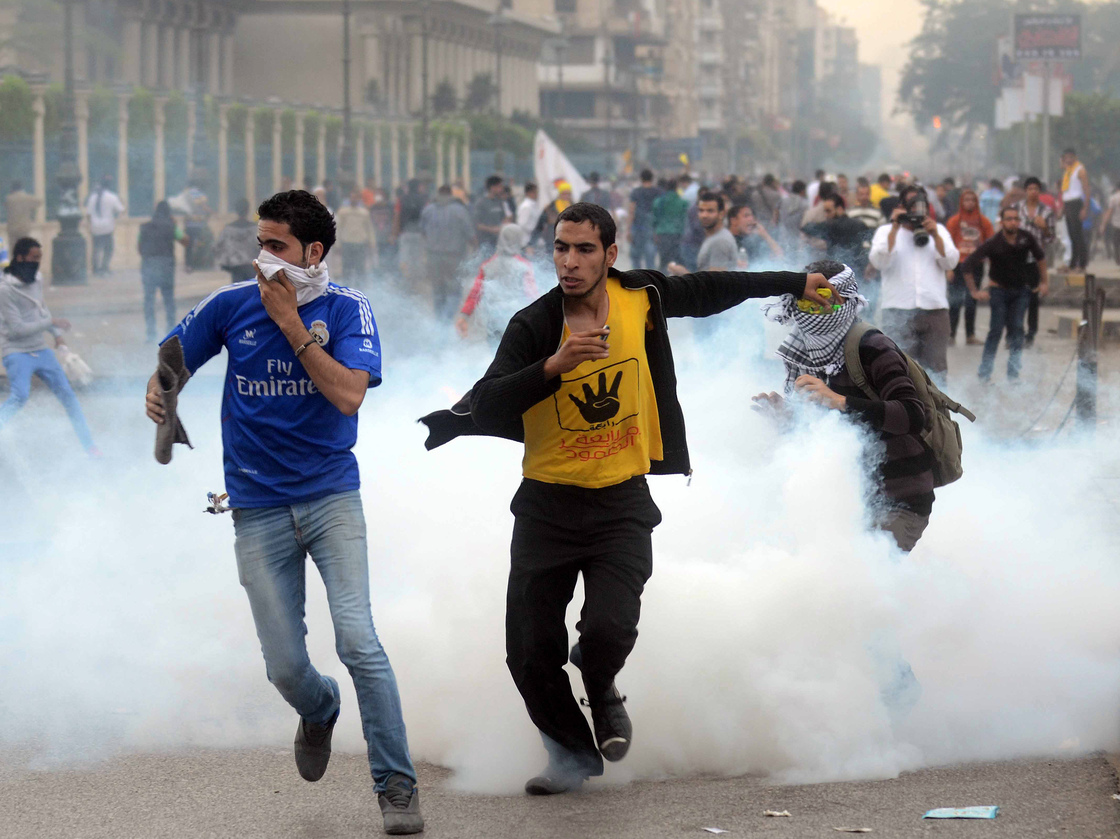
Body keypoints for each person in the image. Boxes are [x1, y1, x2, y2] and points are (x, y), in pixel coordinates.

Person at [418, 202, 834, 796]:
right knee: (530, 654)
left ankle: (601, 679)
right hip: (547, 506)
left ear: (610, 255)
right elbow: (486, 402)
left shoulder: (643, 298)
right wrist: (552, 367)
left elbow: (716, 286)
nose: (570, 261)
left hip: (620, 503)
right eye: (561, 248)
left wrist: (794, 282)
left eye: (584, 249)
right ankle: (569, 755)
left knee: (608, 629)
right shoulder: (535, 325)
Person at [144, 190, 423, 835]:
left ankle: (396, 784)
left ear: (313, 252)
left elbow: (349, 395)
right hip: (256, 506)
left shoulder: (349, 310)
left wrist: (294, 326)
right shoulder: (230, 305)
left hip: (331, 498)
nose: (263, 259)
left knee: (359, 640)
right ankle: (319, 709)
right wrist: (159, 395)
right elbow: (171, 362)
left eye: (277, 247)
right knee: (285, 668)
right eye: (259, 244)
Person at [753, 260, 936, 552]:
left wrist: (840, 401)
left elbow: (913, 415)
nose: (817, 313)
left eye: (827, 303)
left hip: (898, 499)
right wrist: (786, 418)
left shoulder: (873, 347)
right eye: (808, 304)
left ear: (847, 301)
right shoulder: (802, 353)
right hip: (845, 499)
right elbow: (819, 432)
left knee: (865, 585)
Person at [0, 237, 98, 455]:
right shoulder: (5, 290)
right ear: (20, 258)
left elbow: (41, 309)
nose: (37, 263)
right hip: (15, 350)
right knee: (20, 396)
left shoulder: (37, 279)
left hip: (40, 349)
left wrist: (57, 337)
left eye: (40, 258)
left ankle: (89, 446)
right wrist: (51, 323)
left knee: (68, 396)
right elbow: (16, 329)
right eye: (34, 258)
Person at [869, 185, 959, 384]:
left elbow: (950, 262)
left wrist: (935, 236)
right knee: (899, 370)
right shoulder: (885, 231)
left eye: (921, 204)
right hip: (898, 311)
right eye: (912, 203)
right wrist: (895, 226)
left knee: (936, 372)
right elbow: (879, 262)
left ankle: (938, 414)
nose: (917, 209)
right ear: (902, 206)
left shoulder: (939, 230)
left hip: (934, 311)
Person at [962, 205, 1048, 383]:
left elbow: (1040, 258)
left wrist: (1044, 282)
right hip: (999, 291)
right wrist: (974, 292)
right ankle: (984, 373)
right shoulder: (994, 243)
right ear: (1002, 222)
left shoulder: (1026, 237)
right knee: (996, 330)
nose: (1013, 222)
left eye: (1016, 219)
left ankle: (1013, 374)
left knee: (1017, 329)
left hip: (1021, 292)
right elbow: (968, 265)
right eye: (1009, 219)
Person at [456, 223, 538, 345]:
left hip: (493, 322)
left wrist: (464, 316)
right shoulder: (524, 266)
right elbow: (532, 296)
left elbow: (475, 294)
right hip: (517, 321)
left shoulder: (488, 265)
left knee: (497, 358)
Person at [944, 189, 993, 345]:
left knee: (972, 300)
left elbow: (990, 244)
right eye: (966, 200)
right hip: (957, 265)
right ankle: (950, 335)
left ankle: (970, 335)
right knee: (955, 301)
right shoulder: (954, 222)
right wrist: (948, 268)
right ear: (961, 202)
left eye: (972, 200)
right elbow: (946, 245)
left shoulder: (983, 222)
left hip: (975, 266)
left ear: (976, 202)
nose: (969, 203)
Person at [421, 184, 476, 320]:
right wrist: (476, 248)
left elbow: (422, 232)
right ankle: (448, 318)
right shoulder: (459, 210)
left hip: (434, 256)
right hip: (454, 257)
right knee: (454, 289)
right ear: (451, 194)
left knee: (438, 289)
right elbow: (470, 233)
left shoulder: (428, 210)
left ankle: (440, 318)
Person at [138, 201, 187, 342]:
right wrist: (175, 225)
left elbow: (139, 248)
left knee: (149, 300)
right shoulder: (171, 226)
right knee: (169, 300)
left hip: (148, 266)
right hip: (166, 267)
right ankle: (171, 332)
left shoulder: (144, 227)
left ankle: (150, 333)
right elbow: (185, 241)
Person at [1016, 177, 1056, 347]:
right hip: (1016, 260)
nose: (1033, 191)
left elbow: (1051, 238)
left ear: (1040, 191)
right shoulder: (1015, 209)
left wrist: (1045, 227)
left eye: (1036, 189)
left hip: (1035, 260)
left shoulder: (1047, 212)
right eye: (1030, 188)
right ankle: (1015, 333)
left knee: (1033, 299)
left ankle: (1030, 334)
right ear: (1025, 191)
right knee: (1015, 298)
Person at [802, 195, 872, 278]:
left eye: (828, 211)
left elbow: (806, 228)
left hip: (835, 273)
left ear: (839, 209)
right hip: (856, 273)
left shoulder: (830, 226)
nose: (826, 215)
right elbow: (871, 241)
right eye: (825, 211)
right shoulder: (860, 224)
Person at [667, 191, 736, 275]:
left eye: (710, 211)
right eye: (701, 210)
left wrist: (684, 274)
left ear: (721, 214)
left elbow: (716, 283)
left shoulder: (720, 241)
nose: (704, 215)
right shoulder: (713, 237)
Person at [336, 189, 378, 284]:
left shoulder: (364, 213)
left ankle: (360, 289)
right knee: (347, 269)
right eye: (352, 197)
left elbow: (369, 229)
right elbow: (338, 229)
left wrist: (372, 243)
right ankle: (346, 289)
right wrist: (337, 244)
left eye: (356, 198)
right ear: (349, 198)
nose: (354, 199)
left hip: (360, 244)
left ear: (359, 199)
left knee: (360, 269)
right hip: (347, 243)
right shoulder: (343, 212)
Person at [85, 176, 126, 275]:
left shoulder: (92, 197)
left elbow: (88, 214)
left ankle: (95, 268)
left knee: (96, 249)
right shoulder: (112, 197)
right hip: (108, 227)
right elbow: (121, 210)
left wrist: (90, 226)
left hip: (95, 227)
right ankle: (104, 267)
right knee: (108, 248)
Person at [214, 198, 260, 284]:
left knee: (238, 289)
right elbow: (261, 246)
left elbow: (218, 247)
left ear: (236, 210)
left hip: (235, 266)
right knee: (251, 289)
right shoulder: (255, 229)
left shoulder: (228, 229)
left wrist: (223, 261)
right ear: (248, 210)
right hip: (251, 265)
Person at [394, 178, 429, 289]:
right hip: (419, 234)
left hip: (405, 233)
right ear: (418, 187)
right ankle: (416, 283)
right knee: (417, 259)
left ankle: (407, 281)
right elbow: (427, 217)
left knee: (405, 258)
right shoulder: (424, 200)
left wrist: (395, 232)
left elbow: (397, 216)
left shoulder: (401, 199)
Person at [1060, 148, 1091, 271]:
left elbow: (1086, 189)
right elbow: (1066, 190)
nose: (1068, 160)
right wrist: (1062, 208)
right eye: (1066, 157)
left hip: (1076, 203)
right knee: (1071, 235)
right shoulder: (1068, 170)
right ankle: (1072, 263)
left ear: (1074, 157)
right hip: (1067, 204)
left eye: (1070, 157)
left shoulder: (1080, 170)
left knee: (1078, 235)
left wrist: (1085, 208)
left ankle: (1082, 263)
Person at [650, 176, 689, 271]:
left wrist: (654, 233)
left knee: (663, 261)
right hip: (677, 234)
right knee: (679, 260)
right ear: (676, 188)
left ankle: (662, 282)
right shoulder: (683, 202)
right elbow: (684, 220)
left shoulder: (658, 202)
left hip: (662, 234)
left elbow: (654, 220)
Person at [627, 169, 660, 270]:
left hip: (638, 226)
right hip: (652, 227)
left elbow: (632, 211)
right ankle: (651, 280)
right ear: (652, 179)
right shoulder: (658, 192)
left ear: (641, 179)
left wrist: (628, 230)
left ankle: (636, 280)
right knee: (650, 257)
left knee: (636, 257)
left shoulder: (636, 192)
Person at [473, 175, 513, 257]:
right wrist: (492, 229)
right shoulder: (481, 203)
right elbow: (477, 225)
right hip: (485, 245)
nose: (502, 189)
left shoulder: (500, 202)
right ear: (492, 187)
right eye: (500, 186)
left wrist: (505, 223)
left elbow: (505, 217)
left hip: (499, 244)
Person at [1099, 182, 1120, 268]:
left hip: (1116, 226)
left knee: (1116, 244)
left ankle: (1118, 260)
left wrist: (1103, 225)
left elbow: (1109, 212)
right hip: (1116, 225)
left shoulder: (1114, 198)